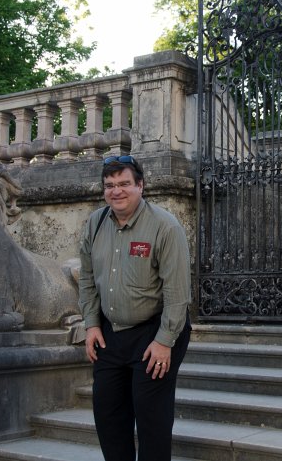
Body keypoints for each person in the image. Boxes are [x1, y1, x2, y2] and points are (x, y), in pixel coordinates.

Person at [78, 155, 192, 461]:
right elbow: (87, 278)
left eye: (124, 183)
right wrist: (91, 323)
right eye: (109, 185)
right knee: (108, 416)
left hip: (155, 332)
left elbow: (178, 293)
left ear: (140, 186)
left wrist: (165, 342)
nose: (116, 191)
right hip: (110, 334)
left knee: (152, 420)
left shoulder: (165, 227)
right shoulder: (95, 223)